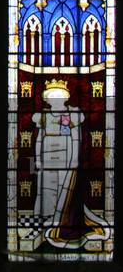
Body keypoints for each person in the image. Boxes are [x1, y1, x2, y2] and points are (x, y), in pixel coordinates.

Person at [33, 80, 109, 248]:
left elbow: (77, 138)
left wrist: (75, 158)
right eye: (52, 96)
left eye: (59, 96)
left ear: (65, 98)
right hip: (47, 157)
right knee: (47, 188)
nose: (56, 99)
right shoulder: (43, 116)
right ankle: (50, 218)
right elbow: (39, 139)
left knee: (63, 187)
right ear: (47, 99)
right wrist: (37, 159)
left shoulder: (72, 114)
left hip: (65, 157)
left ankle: (60, 219)